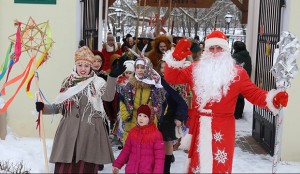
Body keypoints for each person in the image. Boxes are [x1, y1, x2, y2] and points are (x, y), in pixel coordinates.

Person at [162, 30, 289, 173]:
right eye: (211, 48)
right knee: (198, 165)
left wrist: (272, 99)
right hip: (200, 125)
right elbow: (173, 78)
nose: (215, 51)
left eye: (219, 47)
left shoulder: (237, 73)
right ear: (206, 50)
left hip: (223, 127)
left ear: (226, 50)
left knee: (219, 165)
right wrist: (175, 58)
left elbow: (254, 93)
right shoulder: (195, 69)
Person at [35, 46, 126, 173]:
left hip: (89, 133)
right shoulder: (68, 82)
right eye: (80, 65)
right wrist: (43, 107)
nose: (83, 69)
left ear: (91, 66)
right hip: (68, 133)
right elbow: (59, 106)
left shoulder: (98, 82)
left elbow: (108, 97)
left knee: (85, 169)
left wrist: (112, 77)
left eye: (86, 65)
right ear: (75, 65)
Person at [119, 55, 165, 145]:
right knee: (130, 151)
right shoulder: (129, 85)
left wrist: (155, 116)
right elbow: (122, 100)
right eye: (137, 67)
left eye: (143, 67)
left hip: (149, 122)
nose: (139, 70)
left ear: (148, 68)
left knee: (146, 151)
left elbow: (161, 103)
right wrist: (125, 114)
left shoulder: (155, 86)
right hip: (132, 120)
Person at [112, 104, 165, 174]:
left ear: (150, 118)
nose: (141, 118)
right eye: (139, 115)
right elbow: (125, 151)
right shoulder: (133, 132)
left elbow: (159, 159)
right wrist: (117, 165)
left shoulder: (156, 135)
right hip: (131, 170)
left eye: (145, 116)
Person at [157, 60, 188, 173]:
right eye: (162, 67)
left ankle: (166, 168)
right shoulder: (156, 80)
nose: (164, 70)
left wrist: (179, 116)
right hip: (156, 115)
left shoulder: (178, 82)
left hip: (170, 115)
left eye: (166, 67)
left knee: (167, 141)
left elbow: (183, 101)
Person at [232, 41, 252, 119]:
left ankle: (236, 114)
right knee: (241, 96)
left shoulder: (234, 56)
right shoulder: (247, 56)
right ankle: (240, 113)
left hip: (236, 79)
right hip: (245, 77)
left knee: (235, 96)